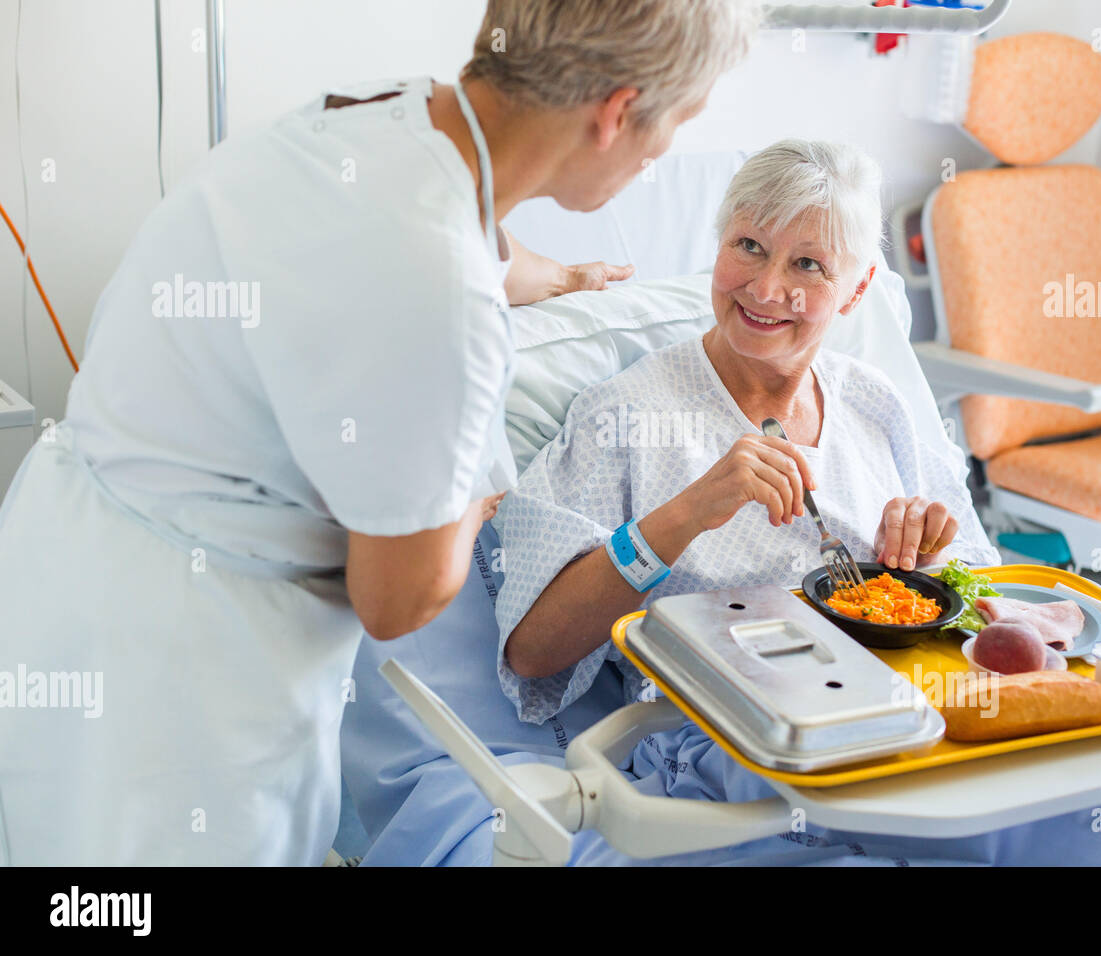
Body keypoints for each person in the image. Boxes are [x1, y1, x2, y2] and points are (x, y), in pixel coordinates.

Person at [0, 0, 759, 865]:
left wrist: (560, 278)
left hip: (65, 562)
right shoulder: (439, 299)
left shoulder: (379, 113)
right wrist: (478, 492)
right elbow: (397, 600)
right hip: (181, 680)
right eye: (680, 123)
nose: (664, 155)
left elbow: (454, 243)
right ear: (620, 112)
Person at [492, 139, 999, 834]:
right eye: (750, 246)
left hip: (905, 717)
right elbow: (534, 650)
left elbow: (984, 596)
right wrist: (686, 515)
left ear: (856, 289)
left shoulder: (877, 408)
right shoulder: (628, 415)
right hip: (727, 742)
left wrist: (929, 560)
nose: (765, 290)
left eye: (808, 265)